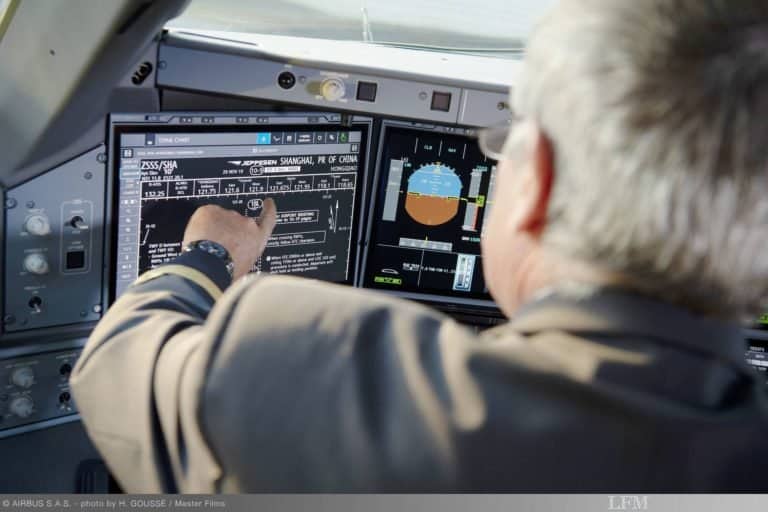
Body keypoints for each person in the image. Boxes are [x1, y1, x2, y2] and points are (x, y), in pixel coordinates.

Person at [72, 0, 768, 492]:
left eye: (504, 144)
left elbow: (114, 365)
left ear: (538, 184)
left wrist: (209, 259)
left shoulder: (322, 370)